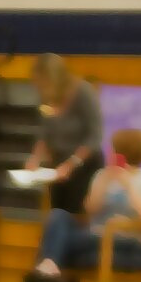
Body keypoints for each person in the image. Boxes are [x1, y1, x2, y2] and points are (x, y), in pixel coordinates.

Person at [0, 126, 141, 282]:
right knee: (58, 216)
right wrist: (104, 181)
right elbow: (90, 210)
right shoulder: (103, 174)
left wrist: (128, 185)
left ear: (123, 151)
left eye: (113, 149)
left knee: (54, 246)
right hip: (94, 235)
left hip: (124, 240)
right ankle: (48, 266)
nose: (109, 153)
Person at [29, 53, 104, 213]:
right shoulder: (47, 96)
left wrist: (71, 164)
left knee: (76, 215)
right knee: (58, 214)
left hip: (84, 165)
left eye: (45, 83)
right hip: (58, 167)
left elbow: (95, 136)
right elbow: (45, 131)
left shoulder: (83, 92)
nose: (41, 89)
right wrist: (35, 158)